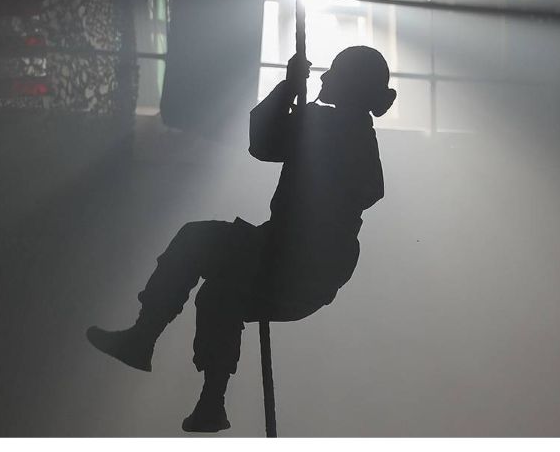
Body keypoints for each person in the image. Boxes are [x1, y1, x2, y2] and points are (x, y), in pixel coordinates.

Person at [87, 46, 396, 433]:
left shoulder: (338, 133)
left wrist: (291, 91)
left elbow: (265, 145)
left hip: (295, 263)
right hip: (297, 265)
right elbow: (267, 146)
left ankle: (145, 338)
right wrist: (291, 92)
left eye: (333, 72)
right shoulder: (337, 131)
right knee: (219, 296)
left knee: (196, 240)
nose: (324, 77)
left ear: (350, 85)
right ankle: (210, 403)